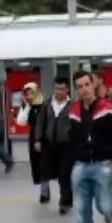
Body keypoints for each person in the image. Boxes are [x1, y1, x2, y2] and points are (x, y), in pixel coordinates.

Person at [69, 71, 112, 223]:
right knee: (81, 213)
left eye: (87, 84)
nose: (84, 89)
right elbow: (73, 140)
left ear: (93, 84)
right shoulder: (74, 111)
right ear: (76, 90)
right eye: (80, 87)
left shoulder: (106, 109)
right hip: (81, 165)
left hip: (103, 165)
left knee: (107, 209)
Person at [35, 76, 75, 215]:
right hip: (49, 144)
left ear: (68, 89)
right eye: (57, 88)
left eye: (62, 89)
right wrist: (38, 139)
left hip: (67, 145)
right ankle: (45, 193)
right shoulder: (47, 104)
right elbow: (40, 122)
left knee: (65, 173)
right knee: (46, 170)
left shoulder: (73, 105)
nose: (59, 92)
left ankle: (65, 201)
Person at [21, 84, 48, 203]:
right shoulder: (29, 107)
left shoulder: (45, 106)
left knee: (44, 165)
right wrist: (26, 106)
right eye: (27, 94)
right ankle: (45, 190)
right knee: (36, 164)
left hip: (44, 137)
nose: (29, 96)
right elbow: (21, 121)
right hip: (33, 137)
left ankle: (44, 192)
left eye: (31, 93)